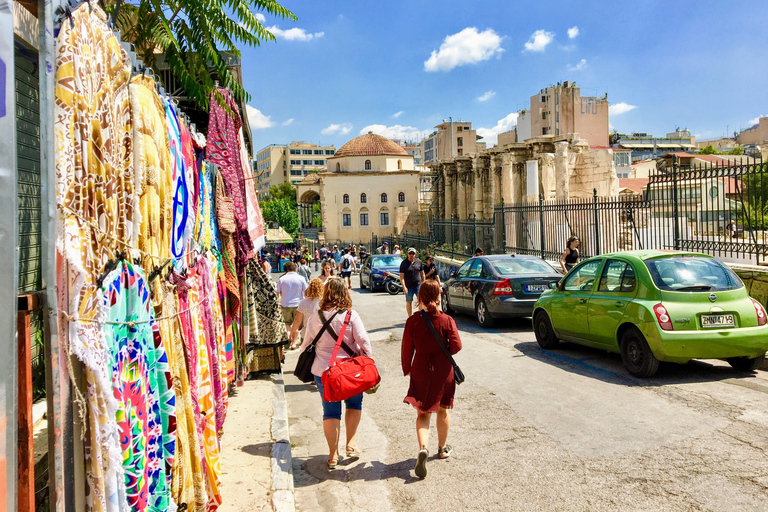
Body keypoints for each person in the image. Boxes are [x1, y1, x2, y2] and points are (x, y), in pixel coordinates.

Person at [300, 279, 373, 469]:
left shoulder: (315, 316)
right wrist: (368, 361)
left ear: (326, 294)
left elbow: (306, 344)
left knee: (330, 411)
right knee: (354, 404)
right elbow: (364, 342)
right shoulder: (351, 315)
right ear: (345, 294)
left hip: (323, 372)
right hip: (350, 372)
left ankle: (333, 455)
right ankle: (351, 443)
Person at [401, 280, 463, 478]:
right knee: (443, 410)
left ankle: (423, 447)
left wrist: (407, 368)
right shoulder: (446, 320)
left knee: (423, 413)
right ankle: (443, 448)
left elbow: (406, 349)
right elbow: (456, 347)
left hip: (420, 368)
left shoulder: (413, 321)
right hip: (443, 371)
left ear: (420, 298)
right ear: (438, 296)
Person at [288, 278, 324, 349]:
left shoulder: (304, 303)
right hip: (322, 335)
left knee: (306, 358)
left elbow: (298, 320)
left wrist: (291, 332)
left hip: (307, 334)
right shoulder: (325, 302)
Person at [276, 262, 308, 334]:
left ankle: (288, 340)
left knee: (287, 324)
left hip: (285, 304)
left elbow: (277, 292)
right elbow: (306, 291)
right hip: (298, 304)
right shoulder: (301, 278)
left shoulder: (281, 279)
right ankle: (294, 342)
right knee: (297, 324)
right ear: (296, 269)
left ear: (286, 270)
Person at [400, 248, 425, 317]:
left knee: (421, 301)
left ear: (415, 254)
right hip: (408, 287)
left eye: (413, 253)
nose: (411, 255)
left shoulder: (418, 262)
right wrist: (404, 287)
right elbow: (401, 277)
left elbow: (422, 273)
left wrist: (424, 282)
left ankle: (420, 316)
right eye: (410, 253)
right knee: (409, 302)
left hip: (418, 285)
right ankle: (410, 317)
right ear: (407, 254)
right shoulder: (404, 264)